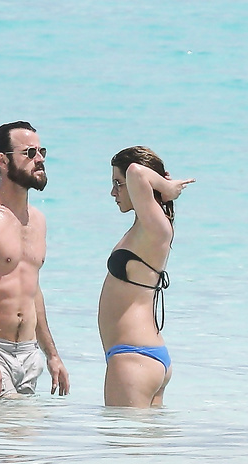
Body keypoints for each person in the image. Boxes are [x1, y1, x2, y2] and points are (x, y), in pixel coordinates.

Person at [0, 121, 70, 399]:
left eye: (41, 151)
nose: (39, 159)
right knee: (7, 416)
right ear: (3, 161)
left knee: (21, 426)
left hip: (28, 354)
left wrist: (52, 355)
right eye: (29, 153)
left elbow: (32, 291)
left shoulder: (38, 221)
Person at [98, 146, 195, 408]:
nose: (113, 192)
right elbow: (136, 174)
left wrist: (167, 187)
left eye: (118, 184)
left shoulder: (157, 227)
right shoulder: (146, 226)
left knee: (120, 436)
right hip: (141, 356)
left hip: (132, 357)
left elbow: (135, 171)